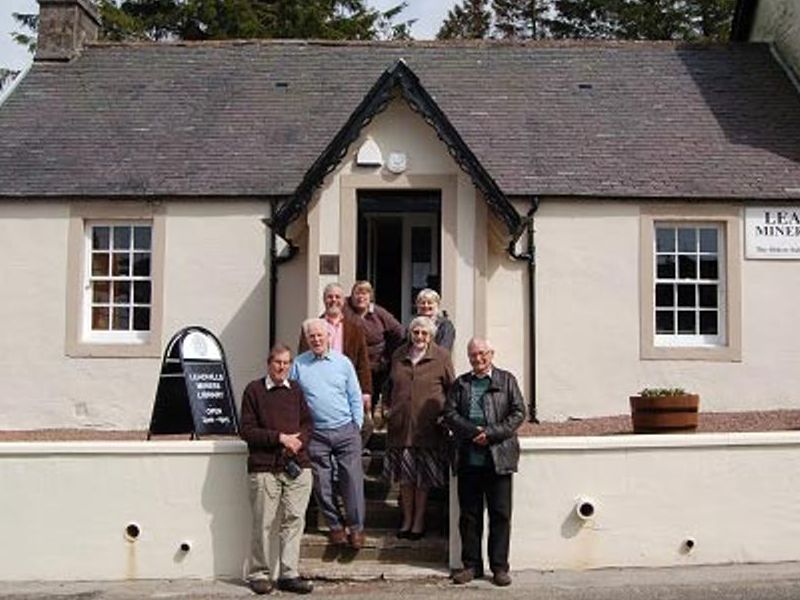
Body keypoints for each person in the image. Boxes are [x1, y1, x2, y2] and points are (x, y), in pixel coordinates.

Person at [444, 337, 526, 587]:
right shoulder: (461, 384)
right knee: (469, 516)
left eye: (482, 354)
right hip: (469, 459)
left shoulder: (506, 380)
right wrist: (472, 432)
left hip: (498, 458)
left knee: (500, 515)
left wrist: (490, 433)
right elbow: (449, 413)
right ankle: (472, 566)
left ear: (491, 353)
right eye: (472, 355)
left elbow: (518, 412)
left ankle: (499, 567)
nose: (477, 359)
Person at [240, 344, 314, 595]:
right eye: (277, 362)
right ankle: (259, 573)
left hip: (297, 466)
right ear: (268, 363)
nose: (282, 367)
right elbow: (247, 431)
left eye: (286, 363)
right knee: (263, 522)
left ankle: (288, 574)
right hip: (265, 468)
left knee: (294, 521)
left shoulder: (296, 391)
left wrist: (298, 441)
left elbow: (308, 423)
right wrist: (281, 438)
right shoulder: (254, 390)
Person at [291, 318, 366, 550]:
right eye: (311, 336)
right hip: (316, 433)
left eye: (319, 335)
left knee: (352, 481)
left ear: (329, 337)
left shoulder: (343, 363)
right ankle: (335, 526)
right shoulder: (299, 364)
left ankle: (355, 528)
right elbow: (293, 399)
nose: (316, 339)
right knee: (322, 483)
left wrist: (357, 425)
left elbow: (355, 395)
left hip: (345, 429)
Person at [383, 315, 454, 540]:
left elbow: (452, 389)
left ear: (431, 335)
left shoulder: (441, 357)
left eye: (424, 333)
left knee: (423, 480)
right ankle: (406, 520)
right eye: (416, 332)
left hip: (428, 427)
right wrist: (386, 408)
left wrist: (447, 416)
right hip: (401, 427)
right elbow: (389, 385)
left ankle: (419, 522)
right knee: (405, 479)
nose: (419, 337)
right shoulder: (399, 355)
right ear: (410, 334)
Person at [299, 282, 373, 446]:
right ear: (324, 300)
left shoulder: (355, 328)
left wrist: (366, 391)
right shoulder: (311, 328)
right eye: (329, 297)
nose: (334, 300)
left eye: (337, 297)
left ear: (344, 301)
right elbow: (302, 360)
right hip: (320, 388)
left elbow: (363, 361)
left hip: (346, 386)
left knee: (364, 426)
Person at [344, 280, 405, 430]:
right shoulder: (344, 310)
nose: (361, 297)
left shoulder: (378, 313)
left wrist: (391, 354)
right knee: (352, 402)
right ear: (351, 296)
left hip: (375, 367)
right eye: (357, 293)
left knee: (369, 402)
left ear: (370, 296)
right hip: (351, 366)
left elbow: (399, 332)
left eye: (365, 293)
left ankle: (367, 436)